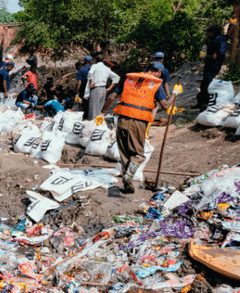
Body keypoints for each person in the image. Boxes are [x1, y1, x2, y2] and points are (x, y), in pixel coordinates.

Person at [101, 63, 178, 194]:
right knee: (137, 154)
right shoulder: (155, 84)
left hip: (122, 118)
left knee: (125, 153)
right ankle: (127, 177)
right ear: (157, 72)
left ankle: (127, 184)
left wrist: (102, 113)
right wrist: (175, 94)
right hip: (138, 120)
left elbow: (112, 97)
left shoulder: (128, 80)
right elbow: (165, 106)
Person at [196, 24, 228, 109]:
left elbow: (214, 56)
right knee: (205, 84)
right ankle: (202, 103)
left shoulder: (215, 42)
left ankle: (205, 104)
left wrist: (205, 56)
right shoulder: (221, 39)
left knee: (207, 84)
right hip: (215, 66)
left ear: (213, 32)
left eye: (208, 33)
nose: (207, 34)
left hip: (212, 66)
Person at [85, 52, 119, 119]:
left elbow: (90, 73)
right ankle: (98, 126)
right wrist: (109, 88)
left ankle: (92, 127)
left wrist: (90, 82)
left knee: (93, 111)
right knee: (99, 111)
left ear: (95, 60)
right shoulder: (107, 68)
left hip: (96, 89)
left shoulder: (94, 66)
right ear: (103, 59)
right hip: (103, 90)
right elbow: (117, 77)